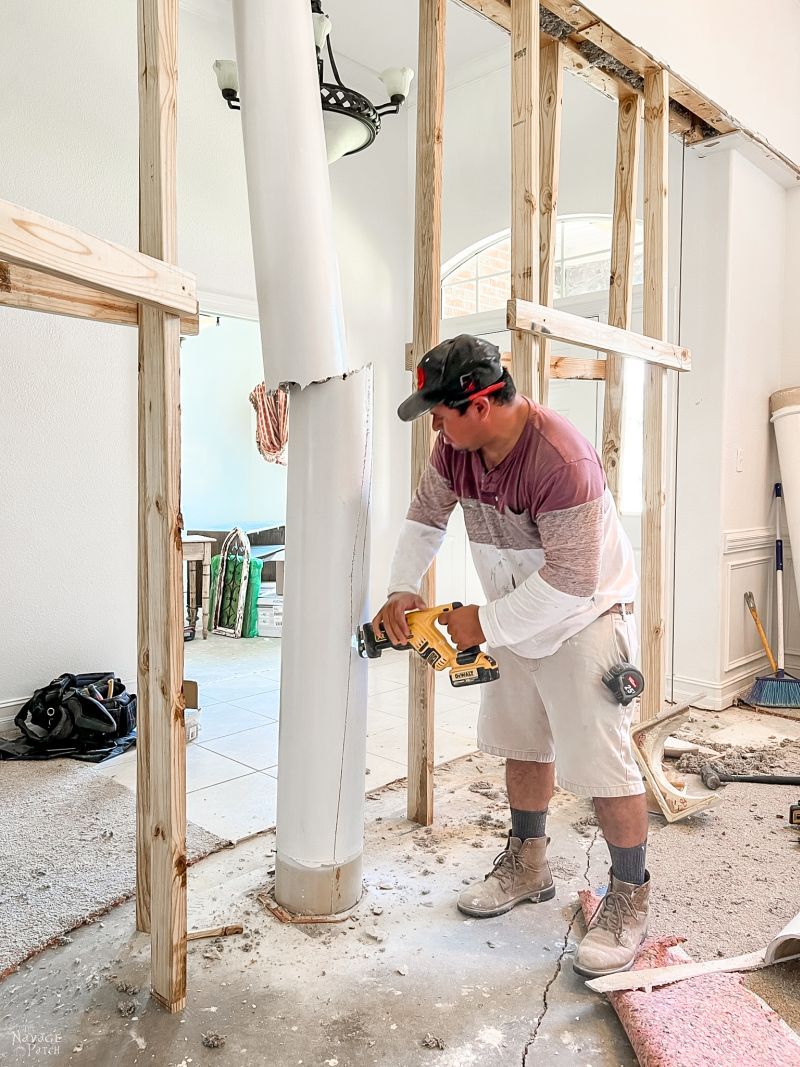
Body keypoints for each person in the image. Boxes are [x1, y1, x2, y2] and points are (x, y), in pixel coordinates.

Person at [371, 334, 649, 979]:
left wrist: (482, 623)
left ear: (482, 403)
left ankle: (630, 899)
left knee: (606, 769)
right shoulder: (455, 449)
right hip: (514, 619)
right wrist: (403, 586)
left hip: (582, 620)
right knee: (525, 744)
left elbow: (574, 580)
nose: (434, 425)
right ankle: (529, 864)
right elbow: (424, 519)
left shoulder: (561, 459)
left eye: (441, 412)